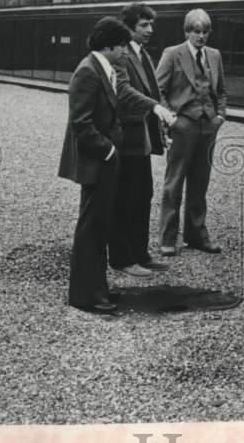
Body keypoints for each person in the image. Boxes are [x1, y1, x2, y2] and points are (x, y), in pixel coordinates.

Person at [58, 16, 174, 315]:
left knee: (98, 228)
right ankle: (85, 296)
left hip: (104, 162)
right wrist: (109, 149)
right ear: (108, 45)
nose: (126, 51)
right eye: (122, 45)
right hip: (98, 162)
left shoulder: (100, 68)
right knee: (91, 231)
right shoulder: (88, 72)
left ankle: (96, 289)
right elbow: (81, 124)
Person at [154, 8, 228, 256]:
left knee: (200, 182)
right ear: (187, 32)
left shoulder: (215, 55)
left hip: (208, 126)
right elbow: (157, 90)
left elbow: (222, 90)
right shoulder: (173, 54)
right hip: (183, 124)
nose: (202, 36)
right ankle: (167, 238)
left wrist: (220, 116)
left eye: (206, 31)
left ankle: (197, 235)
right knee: (173, 183)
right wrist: (171, 119)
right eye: (197, 31)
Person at [108, 3, 171, 278]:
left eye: (150, 24)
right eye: (144, 25)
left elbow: (153, 90)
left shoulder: (142, 53)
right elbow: (122, 90)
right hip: (127, 137)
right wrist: (155, 107)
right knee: (125, 198)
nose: (150, 30)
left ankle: (140, 253)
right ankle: (122, 257)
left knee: (143, 194)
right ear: (129, 27)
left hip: (141, 136)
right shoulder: (121, 55)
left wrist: (161, 125)